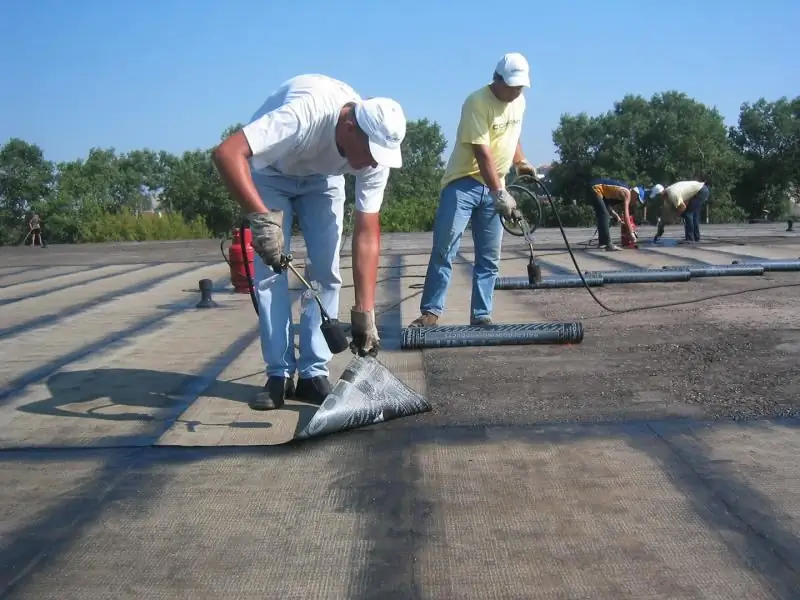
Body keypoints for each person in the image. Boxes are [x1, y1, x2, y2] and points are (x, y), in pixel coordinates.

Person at [212, 74, 407, 410]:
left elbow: (366, 231)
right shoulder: (304, 114)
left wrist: (365, 310)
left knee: (326, 271)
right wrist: (261, 220)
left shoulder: (376, 151)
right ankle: (278, 375)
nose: (374, 162)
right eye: (371, 153)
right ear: (349, 126)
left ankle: (313, 374)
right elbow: (227, 154)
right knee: (271, 273)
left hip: (324, 180)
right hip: (272, 171)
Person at [407, 52, 535, 329]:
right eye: (513, 86)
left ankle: (481, 315)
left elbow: (513, 135)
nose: (517, 91)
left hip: (495, 184)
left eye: (520, 87)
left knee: (490, 257)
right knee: (445, 249)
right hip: (463, 185)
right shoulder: (476, 102)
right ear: (497, 79)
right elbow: (482, 153)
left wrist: (520, 161)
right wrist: (499, 193)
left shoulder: (519, 102)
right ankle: (430, 312)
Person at [587, 179, 646, 251]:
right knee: (604, 215)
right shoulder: (627, 193)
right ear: (635, 193)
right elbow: (626, 215)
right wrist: (631, 233)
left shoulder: (620, 194)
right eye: (637, 199)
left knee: (603, 214)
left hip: (595, 188)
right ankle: (608, 244)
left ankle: (603, 243)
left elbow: (606, 204)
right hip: (595, 188)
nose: (636, 202)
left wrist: (616, 215)